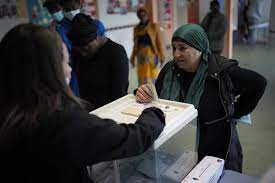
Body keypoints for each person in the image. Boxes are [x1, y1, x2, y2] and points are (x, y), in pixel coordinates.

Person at [0, 24, 165, 183]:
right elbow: (134, 138)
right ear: (50, 70)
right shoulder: (62, 123)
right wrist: (154, 111)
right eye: (64, 62)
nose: (70, 69)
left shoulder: (10, 116)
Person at [135, 24, 267, 172]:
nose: (176, 54)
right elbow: (156, 97)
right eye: (174, 48)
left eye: (182, 48)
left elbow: (259, 83)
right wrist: (142, 92)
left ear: (199, 47)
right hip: (178, 149)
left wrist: (235, 112)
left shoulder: (221, 72)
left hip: (216, 152)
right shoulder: (169, 71)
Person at [68, 13, 129, 109]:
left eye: (86, 49)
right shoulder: (78, 54)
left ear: (96, 37)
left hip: (112, 111)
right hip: (89, 111)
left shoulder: (116, 53)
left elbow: (119, 94)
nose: (83, 54)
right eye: (79, 50)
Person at [130, 7, 165, 85]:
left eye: (144, 15)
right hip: (141, 57)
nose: (142, 17)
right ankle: (143, 94)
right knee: (142, 78)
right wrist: (132, 58)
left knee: (153, 76)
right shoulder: (136, 29)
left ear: (147, 15)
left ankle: (154, 94)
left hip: (152, 56)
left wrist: (162, 56)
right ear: (138, 17)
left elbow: (159, 43)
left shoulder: (154, 26)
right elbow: (135, 45)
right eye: (140, 15)